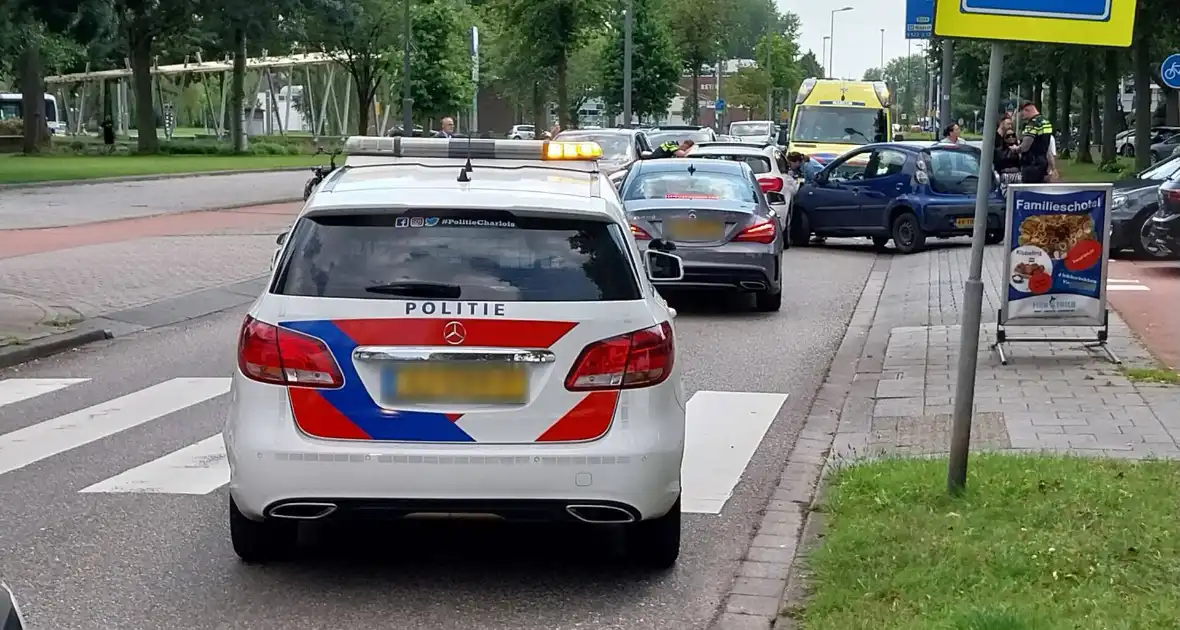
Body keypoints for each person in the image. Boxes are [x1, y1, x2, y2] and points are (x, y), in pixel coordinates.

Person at [1015, 102, 1053, 184]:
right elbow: (1048, 146)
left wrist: (1016, 149)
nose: (1023, 117)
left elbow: (1025, 147)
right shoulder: (1046, 122)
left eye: (1023, 114)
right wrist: (1052, 165)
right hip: (1043, 162)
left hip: (1031, 164)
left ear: (1027, 110)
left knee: (1029, 190)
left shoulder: (1032, 124)